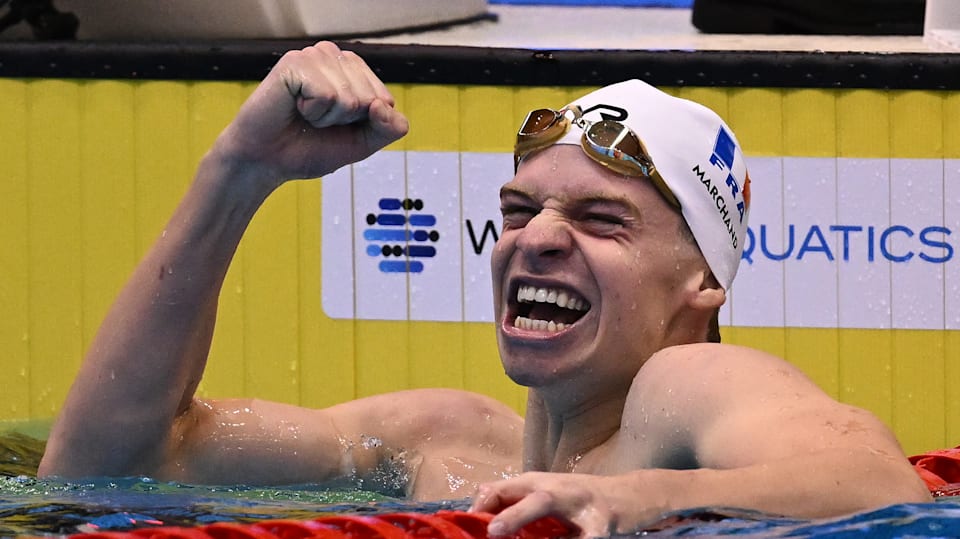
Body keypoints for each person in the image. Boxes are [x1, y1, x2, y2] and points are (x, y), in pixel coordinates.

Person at [38, 41, 931, 537]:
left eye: (602, 218)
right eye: (518, 209)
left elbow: (876, 479)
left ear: (703, 280)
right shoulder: (445, 442)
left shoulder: (677, 397)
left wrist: (638, 500)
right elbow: (112, 467)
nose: (535, 238)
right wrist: (236, 174)